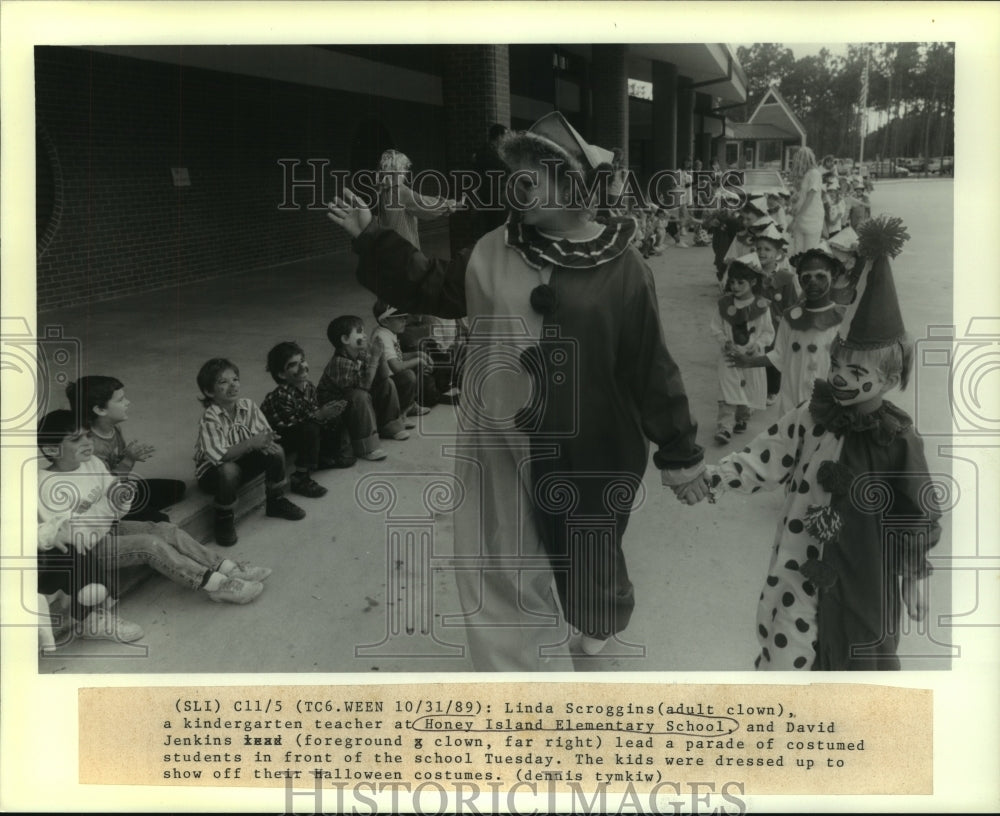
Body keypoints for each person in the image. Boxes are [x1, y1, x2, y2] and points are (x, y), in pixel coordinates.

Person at [326, 111, 709, 669]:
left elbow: (651, 366)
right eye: (516, 174)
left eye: (535, 175)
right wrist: (372, 237)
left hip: (591, 446)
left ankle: (595, 619)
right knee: (499, 557)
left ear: (575, 185)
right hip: (499, 441)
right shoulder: (492, 248)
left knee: (587, 555)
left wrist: (681, 452)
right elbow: (432, 285)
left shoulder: (624, 268)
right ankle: (518, 674)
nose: (518, 186)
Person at [705, 215, 939, 670]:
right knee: (788, 648)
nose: (842, 379)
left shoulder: (898, 440)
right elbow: (764, 457)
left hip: (861, 569)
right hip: (798, 564)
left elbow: (915, 509)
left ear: (890, 379)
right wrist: (711, 477)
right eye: (839, 367)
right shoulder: (812, 416)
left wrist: (913, 575)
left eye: (858, 373)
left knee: (856, 650)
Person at [38, 411, 269, 645]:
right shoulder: (46, 485)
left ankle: (228, 567)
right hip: (89, 550)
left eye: (87, 435)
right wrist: (107, 505)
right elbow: (75, 531)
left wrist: (115, 502)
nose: (87, 442)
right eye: (76, 439)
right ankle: (216, 584)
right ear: (52, 449)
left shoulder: (93, 463)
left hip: (107, 529)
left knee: (164, 529)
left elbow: (116, 504)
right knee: (150, 545)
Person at [194, 358, 306, 547]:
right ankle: (224, 517)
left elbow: (262, 434)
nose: (233, 385)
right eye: (223, 382)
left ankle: (276, 501)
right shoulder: (210, 417)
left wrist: (266, 441)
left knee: (276, 451)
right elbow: (220, 456)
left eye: (235, 379)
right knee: (229, 471)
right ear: (209, 391)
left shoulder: (248, 406)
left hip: (242, 462)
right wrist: (252, 443)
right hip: (214, 474)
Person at [728, 243, 845, 416]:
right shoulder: (790, 317)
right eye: (807, 277)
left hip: (829, 400)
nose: (813, 282)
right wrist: (749, 362)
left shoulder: (842, 317)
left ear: (833, 278)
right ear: (798, 279)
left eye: (820, 276)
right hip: (793, 398)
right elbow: (780, 355)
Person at [67, 376, 186, 522]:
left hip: (121, 488)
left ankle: (137, 512)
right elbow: (103, 488)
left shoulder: (114, 429)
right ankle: (125, 519)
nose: (127, 402)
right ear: (100, 409)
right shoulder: (90, 446)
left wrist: (130, 459)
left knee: (177, 488)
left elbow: (118, 466)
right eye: (120, 400)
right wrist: (129, 460)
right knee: (161, 520)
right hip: (106, 501)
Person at [261, 341, 356, 500]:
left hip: (302, 428)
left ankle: (325, 457)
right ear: (282, 374)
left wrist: (327, 413)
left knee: (333, 416)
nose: (302, 367)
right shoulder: (280, 396)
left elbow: (312, 413)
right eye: (293, 365)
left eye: (302, 361)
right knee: (311, 427)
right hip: (280, 439)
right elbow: (294, 425)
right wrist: (320, 415)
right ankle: (300, 477)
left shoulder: (308, 387)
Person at [710, 254, 774, 444]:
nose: (735, 286)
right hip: (729, 356)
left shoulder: (761, 306)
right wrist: (724, 341)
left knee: (748, 389)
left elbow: (768, 333)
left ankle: (742, 417)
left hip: (751, 358)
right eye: (732, 282)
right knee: (728, 388)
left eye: (740, 282)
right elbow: (716, 327)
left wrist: (758, 345)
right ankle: (725, 426)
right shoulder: (724, 305)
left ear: (753, 282)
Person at [315, 314, 393, 461]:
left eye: (364, 331)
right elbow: (364, 387)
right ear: (345, 340)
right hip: (334, 411)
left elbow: (383, 376)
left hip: (354, 406)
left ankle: (390, 424)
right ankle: (366, 447)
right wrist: (375, 358)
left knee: (387, 383)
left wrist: (381, 355)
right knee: (359, 396)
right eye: (359, 332)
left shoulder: (360, 354)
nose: (364, 335)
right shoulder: (339, 362)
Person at [753, 224, 800, 405]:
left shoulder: (785, 278)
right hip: (755, 322)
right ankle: (756, 388)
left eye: (767, 249)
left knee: (773, 356)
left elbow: (792, 303)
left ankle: (772, 389)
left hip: (776, 323)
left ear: (778, 253)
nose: (762, 252)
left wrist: (786, 319)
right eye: (758, 249)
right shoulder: (752, 273)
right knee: (756, 353)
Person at [376, 148, 458, 250]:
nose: (405, 172)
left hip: (388, 245)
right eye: (404, 168)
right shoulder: (400, 191)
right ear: (397, 170)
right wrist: (449, 204)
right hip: (403, 248)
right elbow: (424, 204)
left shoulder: (384, 190)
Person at [370, 300, 434, 423]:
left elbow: (397, 357)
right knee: (408, 376)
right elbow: (396, 367)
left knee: (415, 365)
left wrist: (417, 354)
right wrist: (418, 360)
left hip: (391, 378)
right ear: (384, 321)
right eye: (399, 318)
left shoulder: (389, 331)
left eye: (405, 317)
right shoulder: (382, 336)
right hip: (383, 384)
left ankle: (409, 405)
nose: (404, 321)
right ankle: (399, 414)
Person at [788, 147, 825, 254]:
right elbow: (804, 195)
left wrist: (796, 218)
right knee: (798, 251)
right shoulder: (806, 174)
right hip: (802, 216)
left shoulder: (814, 173)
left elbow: (810, 198)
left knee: (810, 251)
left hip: (811, 216)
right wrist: (795, 196)